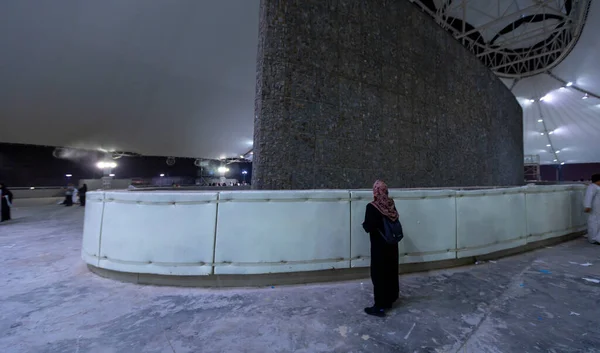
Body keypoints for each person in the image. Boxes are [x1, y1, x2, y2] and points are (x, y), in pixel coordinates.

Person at [362, 180, 400, 317]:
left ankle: (379, 307)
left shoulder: (372, 207)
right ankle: (389, 300)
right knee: (390, 272)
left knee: (379, 275)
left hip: (379, 247)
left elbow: (369, 227)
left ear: (375, 192)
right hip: (392, 245)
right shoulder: (391, 204)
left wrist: (364, 224)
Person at [583, 174, 600, 244]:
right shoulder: (592, 187)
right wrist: (588, 206)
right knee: (593, 223)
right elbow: (588, 197)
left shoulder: (597, 187)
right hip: (594, 209)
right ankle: (593, 238)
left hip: (598, 209)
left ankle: (597, 238)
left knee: (597, 223)